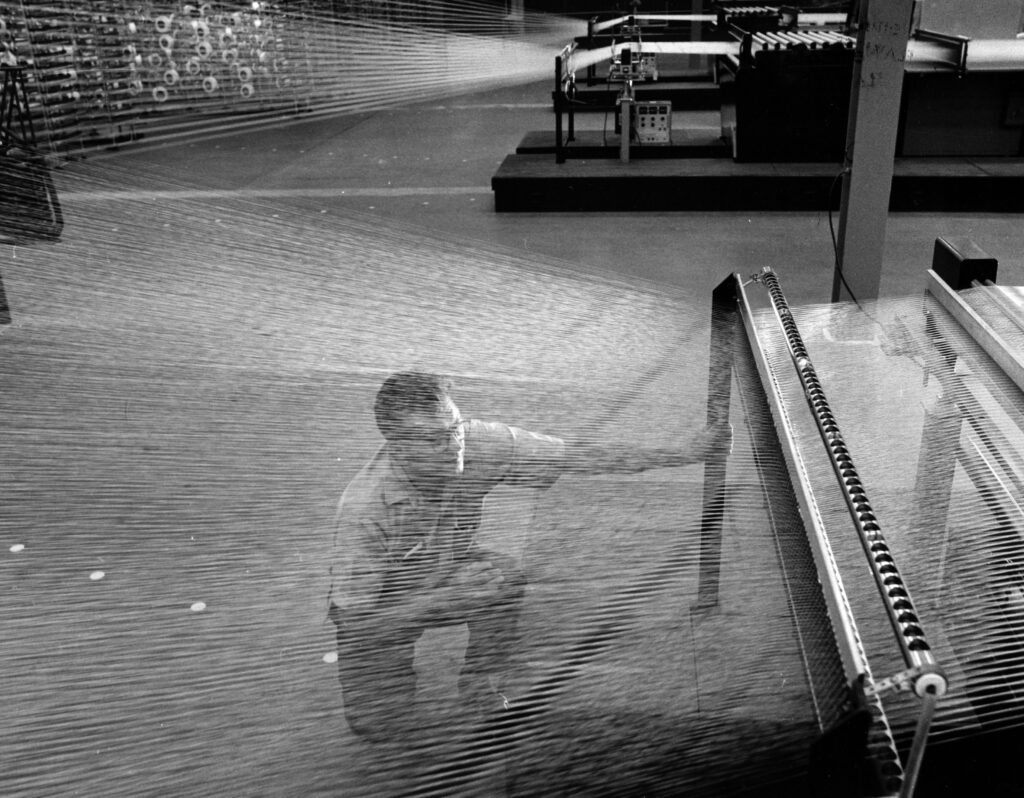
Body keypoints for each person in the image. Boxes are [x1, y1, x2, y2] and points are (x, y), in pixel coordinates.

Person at [327, 371, 727, 745]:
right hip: (382, 612)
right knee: (377, 728)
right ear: (396, 446)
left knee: (504, 579)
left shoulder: (479, 442)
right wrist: (441, 601)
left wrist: (684, 453)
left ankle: (480, 683)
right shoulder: (365, 509)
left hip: (446, 573)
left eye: (454, 429)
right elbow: (356, 624)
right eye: (433, 440)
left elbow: (578, 457)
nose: (454, 448)